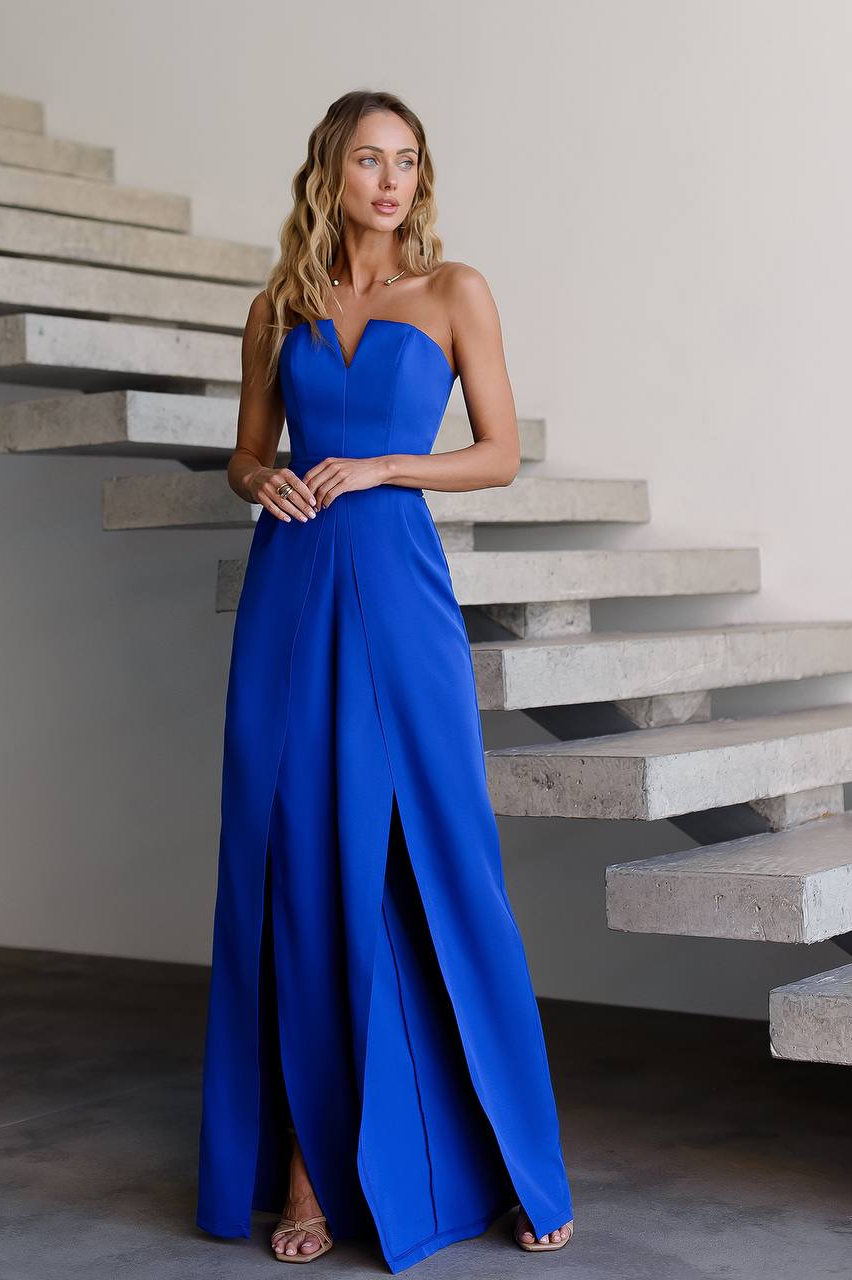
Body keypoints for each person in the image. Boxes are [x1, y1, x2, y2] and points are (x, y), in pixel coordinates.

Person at [196, 88, 575, 1271]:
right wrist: (262, 479)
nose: (390, 180)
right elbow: (244, 452)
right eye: (369, 159)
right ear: (330, 172)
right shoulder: (277, 307)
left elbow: (501, 451)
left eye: (406, 160)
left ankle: (513, 1158)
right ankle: (309, 1173)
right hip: (293, 591)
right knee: (304, 871)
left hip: (400, 594)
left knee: (444, 864)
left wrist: (380, 467)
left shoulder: (456, 293)